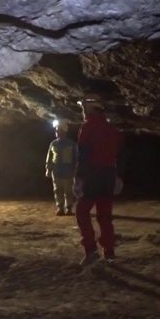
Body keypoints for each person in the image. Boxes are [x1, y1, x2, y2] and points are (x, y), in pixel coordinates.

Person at [73, 97, 124, 266]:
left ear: (93, 108)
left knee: (82, 211)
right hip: (108, 174)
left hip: (93, 174)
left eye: (85, 106)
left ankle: (91, 250)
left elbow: (84, 154)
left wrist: (79, 178)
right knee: (105, 215)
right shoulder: (111, 128)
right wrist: (116, 175)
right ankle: (109, 253)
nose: (83, 110)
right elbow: (116, 154)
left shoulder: (88, 127)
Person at [45, 123, 78, 216]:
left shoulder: (71, 144)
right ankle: (60, 208)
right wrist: (48, 169)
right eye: (56, 130)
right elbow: (49, 157)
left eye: (58, 130)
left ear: (64, 131)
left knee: (69, 191)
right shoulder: (53, 143)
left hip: (68, 171)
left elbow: (76, 158)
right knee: (58, 190)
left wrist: (75, 169)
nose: (57, 132)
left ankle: (69, 208)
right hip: (56, 170)